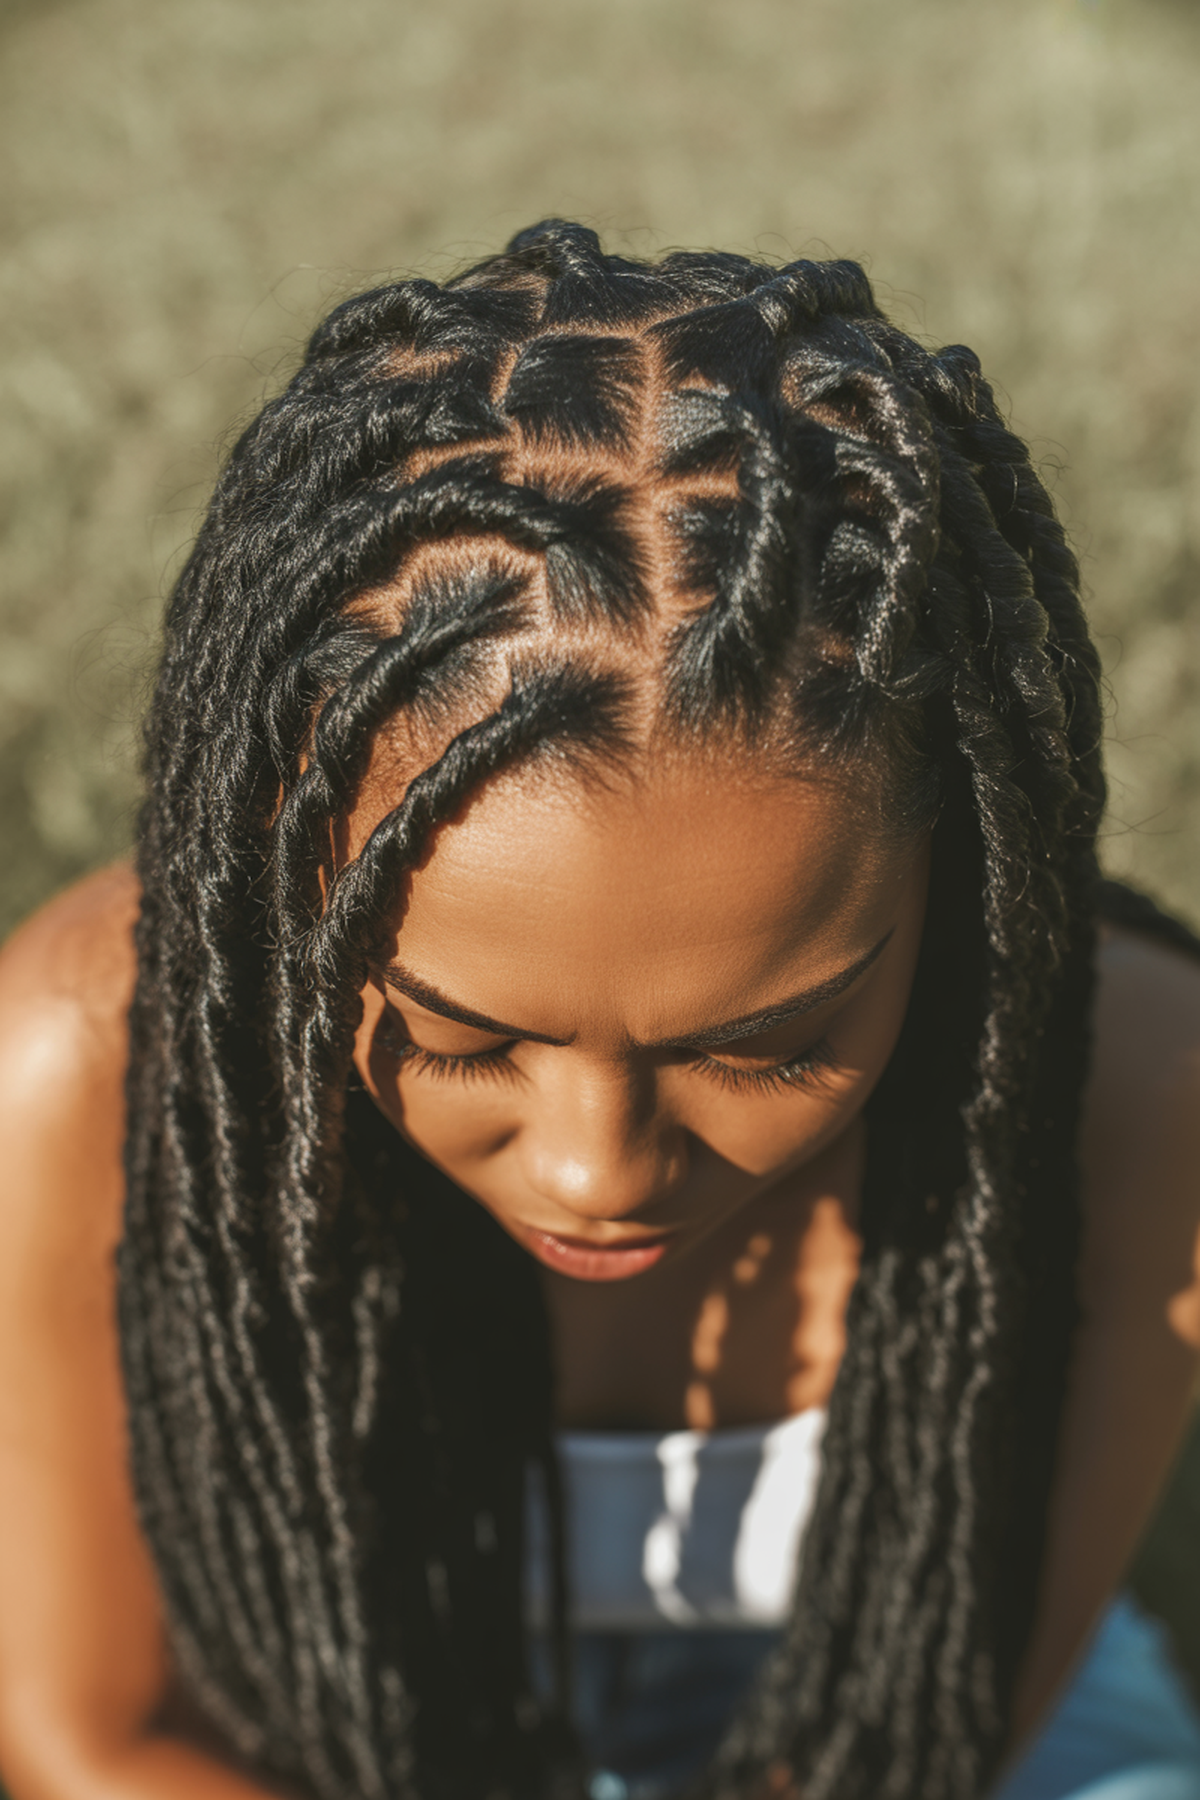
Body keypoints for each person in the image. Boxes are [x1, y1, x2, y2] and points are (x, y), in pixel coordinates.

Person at [1, 219, 1200, 1800]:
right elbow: (91, 1734)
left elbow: (944, 1731)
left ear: (960, 882)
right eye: (460, 1033)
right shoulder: (89, 1069)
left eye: (766, 1042)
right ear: (299, 883)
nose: (597, 1172)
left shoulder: (1131, 1095)